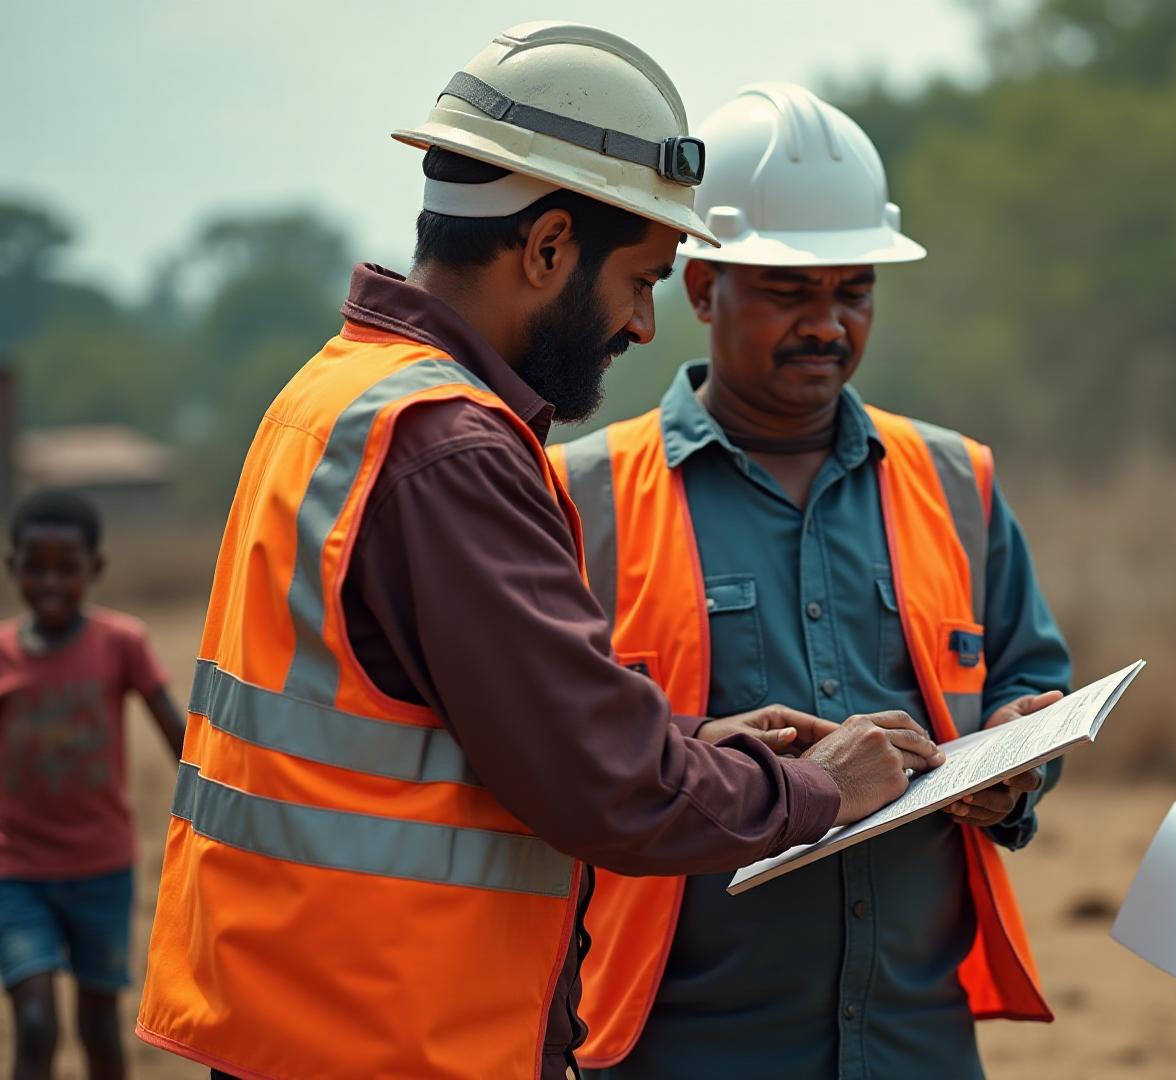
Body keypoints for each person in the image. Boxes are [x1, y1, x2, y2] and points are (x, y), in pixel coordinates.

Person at [136, 27, 943, 1080]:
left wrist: (696, 741)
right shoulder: (452, 448)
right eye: (644, 279)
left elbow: (452, 724)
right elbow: (604, 786)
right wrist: (820, 790)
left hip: (303, 1013)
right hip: (396, 1034)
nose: (647, 328)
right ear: (549, 247)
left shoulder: (335, 394)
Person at [551, 83, 1072, 1080]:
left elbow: (1026, 673)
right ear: (701, 289)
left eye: (854, 290)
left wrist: (1016, 757)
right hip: (680, 1041)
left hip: (915, 1037)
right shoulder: (583, 498)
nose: (828, 325)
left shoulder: (956, 481)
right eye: (791, 293)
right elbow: (556, 749)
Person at [0, 491, 185, 1080]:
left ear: (94, 570)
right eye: (35, 566)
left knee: (100, 1028)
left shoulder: (121, 643)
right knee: (34, 1025)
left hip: (102, 869)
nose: (50, 581)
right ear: (13, 569)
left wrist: (218, 801)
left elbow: (175, 733)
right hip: (17, 872)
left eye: (66, 567)